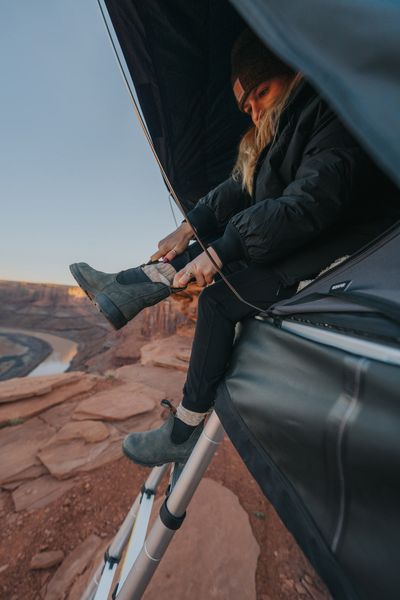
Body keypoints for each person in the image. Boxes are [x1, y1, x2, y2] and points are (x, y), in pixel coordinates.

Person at [70, 29, 398, 467]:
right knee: (216, 260)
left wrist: (225, 248)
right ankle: (126, 288)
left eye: (262, 92)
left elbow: (312, 201)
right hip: (305, 243)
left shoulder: (331, 112)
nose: (256, 111)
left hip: (349, 252)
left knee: (219, 300)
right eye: (247, 106)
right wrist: (189, 228)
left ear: (294, 72)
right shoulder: (277, 134)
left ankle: (184, 430)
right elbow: (236, 190)